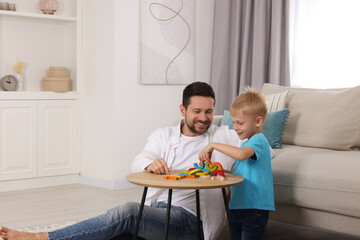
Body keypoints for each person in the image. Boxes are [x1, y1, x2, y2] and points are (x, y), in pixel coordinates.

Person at [0, 82, 243, 240]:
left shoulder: (224, 136)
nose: (204, 118)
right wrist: (149, 164)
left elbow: (254, 146)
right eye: (197, 111)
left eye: (209, 112)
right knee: (112, 234)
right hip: (157, 211)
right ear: (183, 110)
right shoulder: (164, 135)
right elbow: (139, 160)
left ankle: (41, 238)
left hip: (191, 221)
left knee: (126, 213)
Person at [199, 88, 275, 240]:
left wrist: (214, 145)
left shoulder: (258, 141)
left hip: (254, 207)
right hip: (238, 206)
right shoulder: (246, 144)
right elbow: (239, 172)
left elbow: (241, 155)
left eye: (240, 123)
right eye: (233, 122)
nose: (235, 127)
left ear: (258, 121)